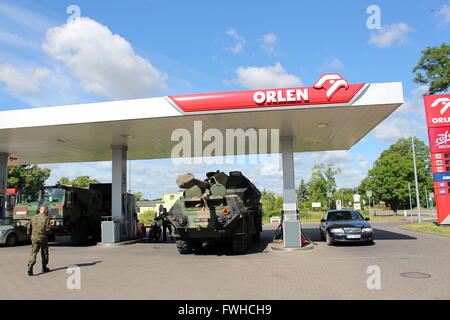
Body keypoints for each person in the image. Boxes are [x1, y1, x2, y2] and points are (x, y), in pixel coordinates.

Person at [27, 205, 51, 276]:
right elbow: (48, 229)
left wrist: (31, 234)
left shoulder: (33, 217)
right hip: (43, 238)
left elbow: (29, 227)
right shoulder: (46, 218)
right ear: (45, 210)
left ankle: (30, 266)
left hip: (34, 238)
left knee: (33, 252)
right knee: (44, 252)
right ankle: (44, 267)